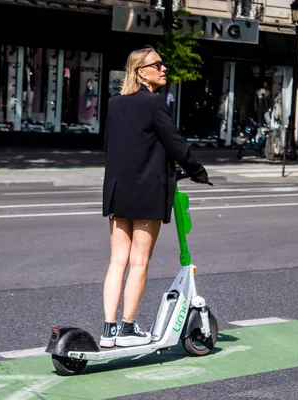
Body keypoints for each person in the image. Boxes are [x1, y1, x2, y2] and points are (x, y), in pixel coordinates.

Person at [101, 46, 210, 348]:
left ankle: (108, 329)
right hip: (147, 191)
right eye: (157, 64)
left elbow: (110, 145)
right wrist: (198, 170)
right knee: (138, 262)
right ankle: (127, 328)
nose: (164, 69)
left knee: (116, 262)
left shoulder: (115, 103)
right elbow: (174, 141)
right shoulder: (154, 103)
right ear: (140, 72)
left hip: (117, 191)